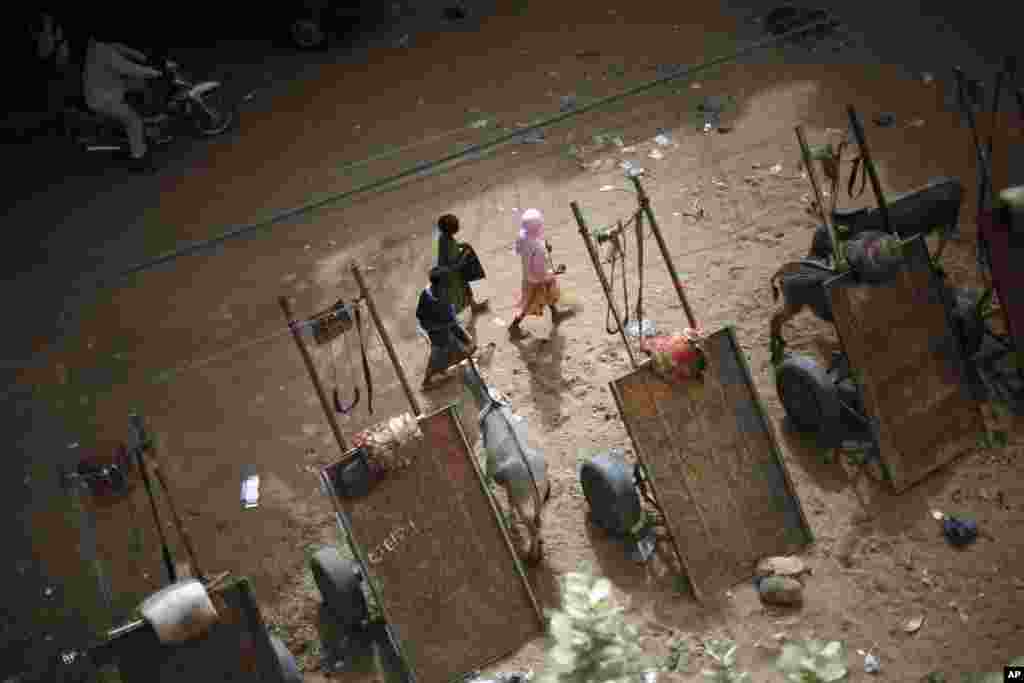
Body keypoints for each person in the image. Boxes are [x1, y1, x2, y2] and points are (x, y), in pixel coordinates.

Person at [82, 34, 163, 162]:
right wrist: (154, 73)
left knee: (140, 83)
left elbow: (121, 48)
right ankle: (138, 157)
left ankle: (149, 116)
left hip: (106, 87)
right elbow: (127, 68)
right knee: (133, 120)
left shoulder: (97, 46)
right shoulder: (102, 51)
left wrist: (143, 57)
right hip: (102, 98)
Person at [509, 208, 572, 340]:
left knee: (549, 293)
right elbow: (541, 274)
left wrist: (543, 246)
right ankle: (514, 327)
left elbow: (522, 250)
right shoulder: (538, 248)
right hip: (536, 280)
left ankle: (555, 314)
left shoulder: (522, 236)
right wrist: (556, 272)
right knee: (529, 303)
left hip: (528, 275)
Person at [416, 266, 477, 388]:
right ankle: (427, 381)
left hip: (441, 326)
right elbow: (448, 323)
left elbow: (451, 321)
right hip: (437, 332)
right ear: (438, 285)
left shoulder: (432, 292)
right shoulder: (433, 300)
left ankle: (441, 370)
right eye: (446, 284)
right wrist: (465, 338)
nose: (449, 287)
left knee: (453, 348)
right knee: (438, 355)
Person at [434, 213, 489, 316]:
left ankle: (474, 306)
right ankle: (449, 318)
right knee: (456, 297)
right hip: (452, 276)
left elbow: (452, 249)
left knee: (466, 289)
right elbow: (455, 266)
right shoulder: (448, 244)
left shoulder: (444, 237)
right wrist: (465, 255)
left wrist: (461, 245)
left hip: (450, 273)